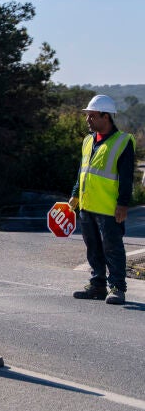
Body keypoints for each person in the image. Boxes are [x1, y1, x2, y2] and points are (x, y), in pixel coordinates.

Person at [68, 94, 135, 305]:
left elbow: (126, 177)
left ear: (106, 116)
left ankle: (117, 288)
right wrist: (75, 194)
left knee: (112, 248)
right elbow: (83, 170)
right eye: (87, 115)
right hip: (87, 206)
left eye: (92, 116)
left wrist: (123, 204)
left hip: (109, 208)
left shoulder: (123, 142)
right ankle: (97, 285)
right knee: (93, 247)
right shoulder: (88, 140)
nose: (88, 120)